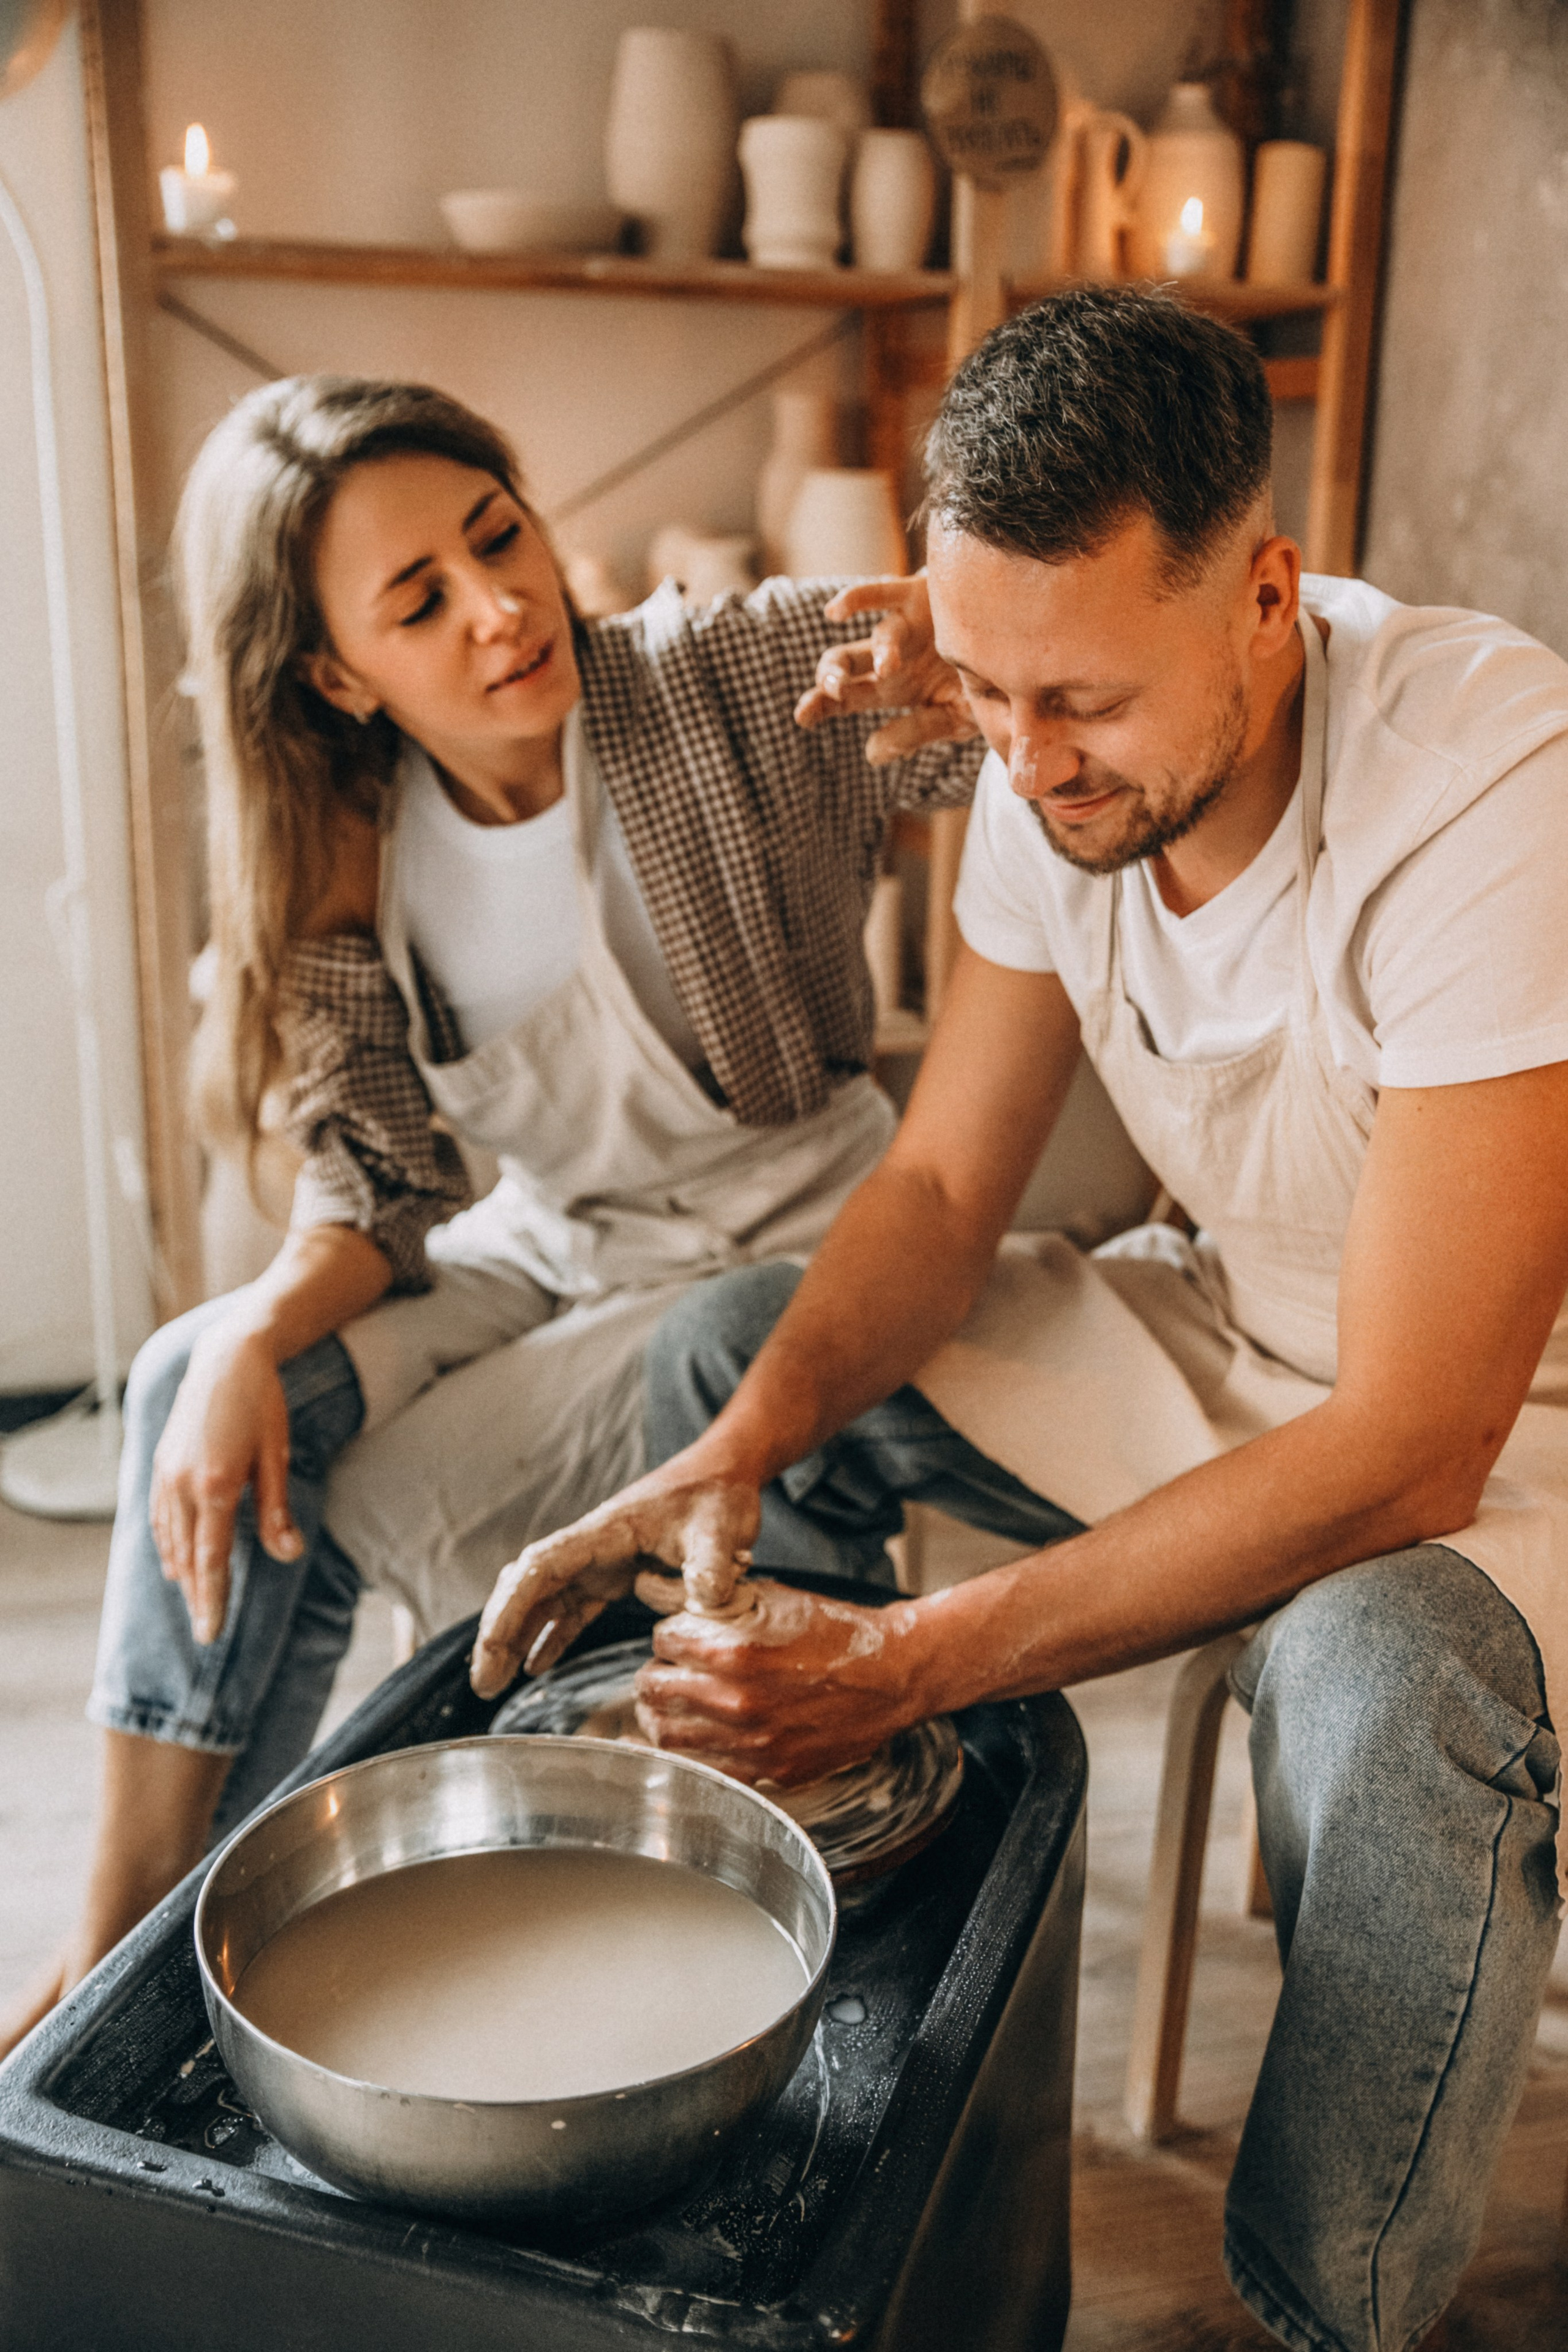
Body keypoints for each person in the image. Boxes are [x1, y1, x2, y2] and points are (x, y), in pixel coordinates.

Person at [470, 288, 1568, 2352]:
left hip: (1512, 1437)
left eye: (1081, 703)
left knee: (1372, 1658)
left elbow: (1421, 1440)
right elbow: (947, 1193)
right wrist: (731, 1463)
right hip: (1236, 1337)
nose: (1030, 760)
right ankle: (813, 2069)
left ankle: (1319, 2313)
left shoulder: (1491, 779)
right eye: (983, 692)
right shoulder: (1039, 737)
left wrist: (900, 1663)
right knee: (740, 1368)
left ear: (1267, 597)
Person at [0, 374, 979, 2059]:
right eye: (420, 601)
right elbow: (382, 1186)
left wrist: (961, 660)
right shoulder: (351, 851)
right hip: (555, 1243)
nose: (501, 607)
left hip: (791, 1241)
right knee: (196, 1387)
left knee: (337, 1485)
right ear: (334, 673)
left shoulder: (725, 673)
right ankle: (128, 1939)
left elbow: (1016, 706)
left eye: (498, 537)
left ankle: (232, 1955)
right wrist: (250, 1328)